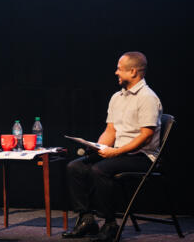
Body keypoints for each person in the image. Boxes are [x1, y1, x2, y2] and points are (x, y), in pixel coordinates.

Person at [62, 51, 162, 242]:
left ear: (133, 71)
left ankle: (110, 224)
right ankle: (87, 219)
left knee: (99, 170)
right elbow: (111, 131)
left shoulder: (148, 98)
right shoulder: (117, 97)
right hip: (121, 153)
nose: (116, 72)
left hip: (142, 157)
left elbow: (146, 137)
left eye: (119, 69)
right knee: (76, 166)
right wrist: (97, 146)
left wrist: (116, 152)